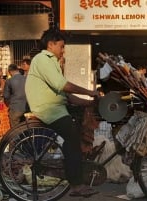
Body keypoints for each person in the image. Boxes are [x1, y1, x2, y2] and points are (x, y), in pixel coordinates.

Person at [25, 28, 100, 197]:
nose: (63, 50)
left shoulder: (53, 62)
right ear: (51, 45)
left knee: (73, 137)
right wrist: (89, 92)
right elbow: (63, 85)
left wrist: (89, 102)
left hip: (56, 107)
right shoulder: (43, 59)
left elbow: (68, 96)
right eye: (61, 46)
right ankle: (76, 184)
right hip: (48, 109)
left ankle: (72, 170)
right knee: (72, 138)